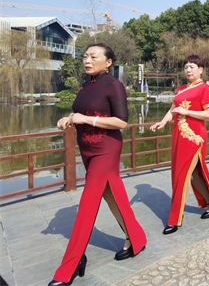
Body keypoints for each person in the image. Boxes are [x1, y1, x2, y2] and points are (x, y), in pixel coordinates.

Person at [49, 44, 146, 286]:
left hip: (106, 148)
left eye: (93, 56)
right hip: (86, 149)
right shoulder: (86, 85)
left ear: (108, 62)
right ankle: (137, 238)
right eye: (85, 56)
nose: (87, 60)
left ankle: (71, 264)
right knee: (114, 195)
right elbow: (81, 113)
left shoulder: (114, 85)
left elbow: (121, 122)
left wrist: (86, 119)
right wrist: (69, 119)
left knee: (87, 203)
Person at [150, 55, 209, 235]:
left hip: (194, 137)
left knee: (181, 175)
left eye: (192, 67)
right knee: (194, 175)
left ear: (201, 69)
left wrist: (186, 111)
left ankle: (174, 219)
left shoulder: (205, 89)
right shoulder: (181, 88)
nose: (188, 70)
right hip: (178, 135)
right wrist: (163, 122)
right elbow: (173, 109)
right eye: (186, 67)